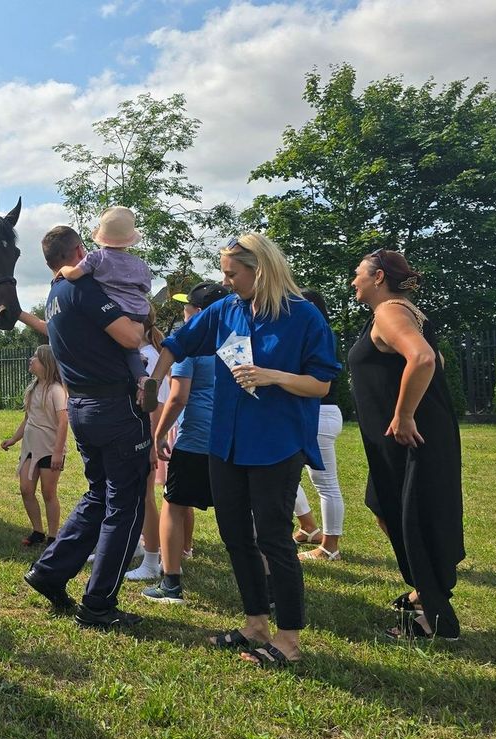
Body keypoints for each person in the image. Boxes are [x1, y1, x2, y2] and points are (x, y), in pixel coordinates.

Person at [146, 233, 340, 665]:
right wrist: (153, 381)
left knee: (273, 538)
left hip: (276, 444)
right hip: (226, 443)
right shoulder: (225, 310)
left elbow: (322, 382)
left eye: (233, 274)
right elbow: (177, 343)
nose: (226, 281)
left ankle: (288, 640)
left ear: (261, 269)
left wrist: (273, 376)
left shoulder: (303, 317)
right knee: (235, 535)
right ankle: (255, 623)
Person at [22, 225, 153, 630]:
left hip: (81, 405)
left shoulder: (55, 294)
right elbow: (131, 337)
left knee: (98, 495)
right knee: (124, 504)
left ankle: (49, 571)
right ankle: (98, 604)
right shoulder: (85, 289)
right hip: (114, 406)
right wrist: (146, 326)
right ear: (79, 250)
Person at [348, 249, 464, 641]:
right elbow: (439, 361)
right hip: (412, 437)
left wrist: (405, 414)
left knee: (413, 514)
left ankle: (435, 618)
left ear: (378, 277)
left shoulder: (389, 312)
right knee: (386, 504)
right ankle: (423, 590)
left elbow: (424, 358)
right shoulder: (408, 310)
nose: (353, 282)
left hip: (408, 438)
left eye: (358, 275)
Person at [140, 281, 229, 604]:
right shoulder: (239, 340)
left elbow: (177, 397)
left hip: (196, 437)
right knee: (243, 515)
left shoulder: (191, 346)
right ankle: (265, 587)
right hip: (230, 438)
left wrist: (160, 433)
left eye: (188, 306)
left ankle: (171, 583)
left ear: (200, 313)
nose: (183, 311)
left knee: (174, 506)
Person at [55, 206, 152, 386]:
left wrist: (63, 269)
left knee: (118, 344)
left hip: (117, 311)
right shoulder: (140, 264)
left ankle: (141, 378)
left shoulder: (96, 258)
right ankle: (142, 375)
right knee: (130, 347)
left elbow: (74, 274)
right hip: (139, 312)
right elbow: (145, 287)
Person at [291, 289, 346, 562]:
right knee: (285, 474)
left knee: (325, 483)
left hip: (319, 413)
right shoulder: (322, 333)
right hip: (316, 413)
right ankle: (308, 528)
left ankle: (330, 546)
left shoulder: (318, 335)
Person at [1, 344, 69, 547]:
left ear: (46, 364)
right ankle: (38, 531)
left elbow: (64, 421)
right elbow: (28, 419)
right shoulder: (33, 388)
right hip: (30, 449)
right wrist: (14, 439)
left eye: (36, 358)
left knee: (49, 493)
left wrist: (58, 452)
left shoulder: (57, 390)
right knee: (26, 489)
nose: (31, 360)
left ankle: (53, 536)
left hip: (50, 450)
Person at [125, 303, 170, 581]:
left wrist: (153, 442)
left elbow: (159, 403)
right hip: (131, 434)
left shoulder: (151, 356)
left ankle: (152, 561)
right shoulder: (139, 354)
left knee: (145, 497)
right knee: (132, 496)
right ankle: (133, 547)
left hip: (145, 435)